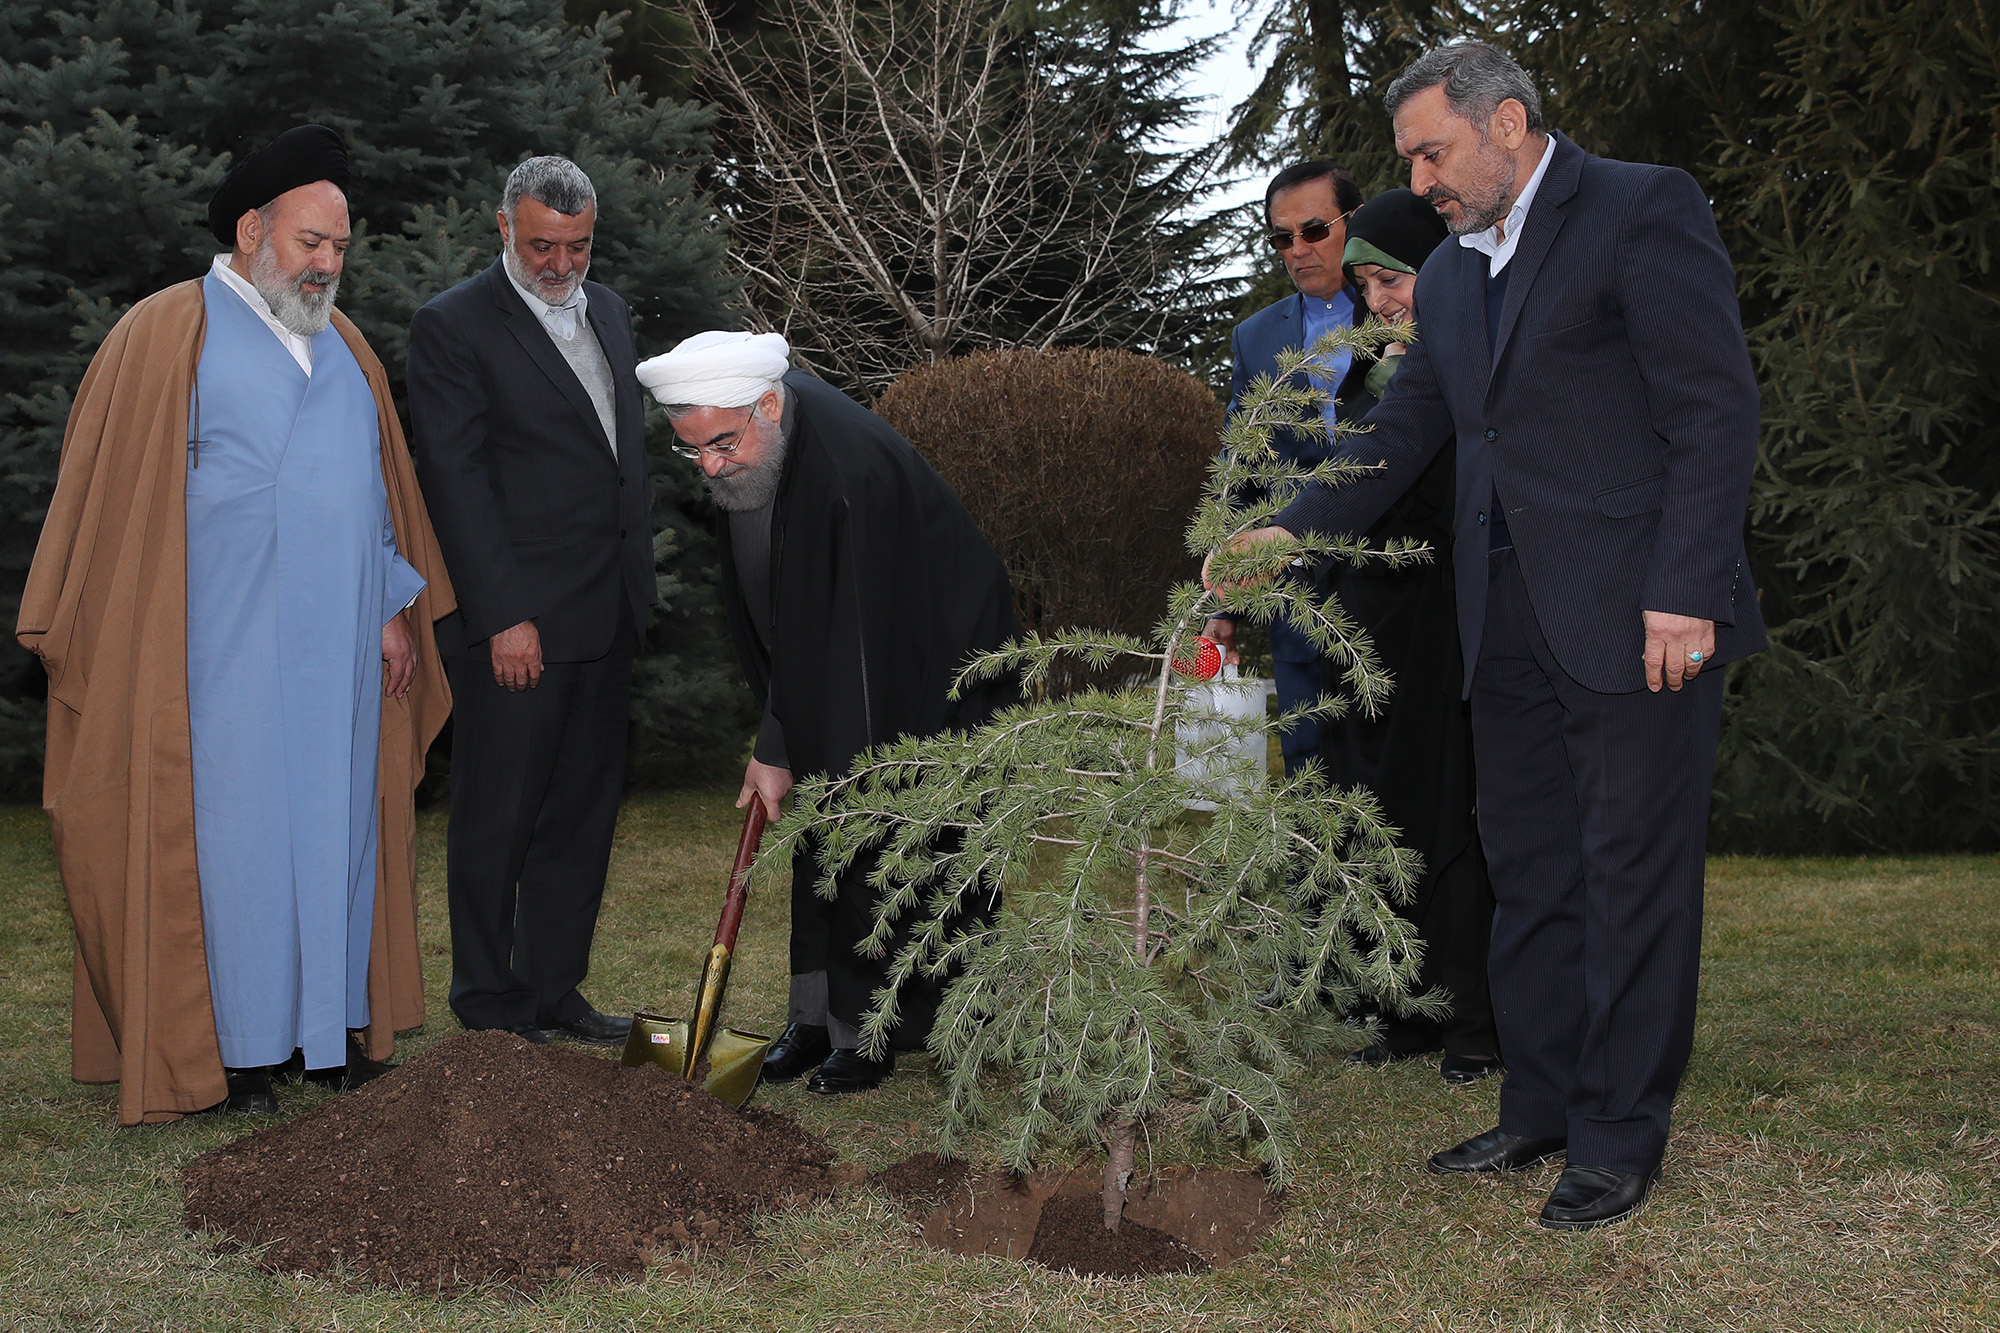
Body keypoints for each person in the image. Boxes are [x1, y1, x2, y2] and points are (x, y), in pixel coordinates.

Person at [1210, 41, 1763, 1230]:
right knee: (1526, 868)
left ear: (1504, 123)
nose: (1417, 178)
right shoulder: (1452, 274)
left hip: (1637, 616)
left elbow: (1713, 408)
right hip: (1498, 621)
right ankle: (1542, 1101)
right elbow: (1400, 436)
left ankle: (1617, 1133)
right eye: (1409, 155)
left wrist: (1687, 590)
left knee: (1630, 876)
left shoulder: (1638, 207)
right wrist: (1287, 531)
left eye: (1431, 151)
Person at [17, 125, 454, 1123]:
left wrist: (392, 605)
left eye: (341, 247)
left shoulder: (344, 347)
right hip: (220, 654)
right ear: (253, 230)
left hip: (338, 653)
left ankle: (328, 1037)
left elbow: (376, 495)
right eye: (311, 242)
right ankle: (240, 1054)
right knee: (237, 848)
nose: (327, 264)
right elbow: (118, 510)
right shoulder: (168, 335)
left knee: (337, 838)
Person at [635, 332, 1017, 1095]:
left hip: (933, 664)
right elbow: (790, 618)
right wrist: (779, 734)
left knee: (867, 825)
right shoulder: (765, 447)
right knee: (819, 827)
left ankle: (867, 1030)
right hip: (843, 650)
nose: (708, 465)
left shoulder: (845, 478)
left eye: (719, 443)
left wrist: (793, 742)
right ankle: (815, 1017)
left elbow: (854, 653)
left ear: (768, 406)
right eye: (692, 450)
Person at [406, 156, 654, 1048]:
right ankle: (490, 1004)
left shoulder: (615, 313)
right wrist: (502, 614)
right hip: (515, 625)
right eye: (543, 244)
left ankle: (554, 993)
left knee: (582, 817)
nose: (561, 265)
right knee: (498, 816)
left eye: (578, 246)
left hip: (606, 612)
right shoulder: (453, 327)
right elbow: (455, 481)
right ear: (503, 227)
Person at [1325, 188, 1501, 1086]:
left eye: (1389, 278)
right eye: (1363, 287)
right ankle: (1405, 1005)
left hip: (1440, 625)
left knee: (1448, 822)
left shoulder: (1463, 359)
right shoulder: (1371, 369)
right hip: (1369, 633)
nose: (1379, 301)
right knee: (1381, 820)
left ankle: (1473, 1022)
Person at [1203, 160, 1370, 776]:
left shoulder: (1401, 307)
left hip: (1394, 575)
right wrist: (1221, 603)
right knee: (1306, 756)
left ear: (1353, 222)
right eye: (1281, 238)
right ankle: (1310, 872)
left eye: (1314, 230)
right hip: (1295, 584)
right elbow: (1239, 462)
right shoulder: (1255, 338)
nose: (1297, 250)